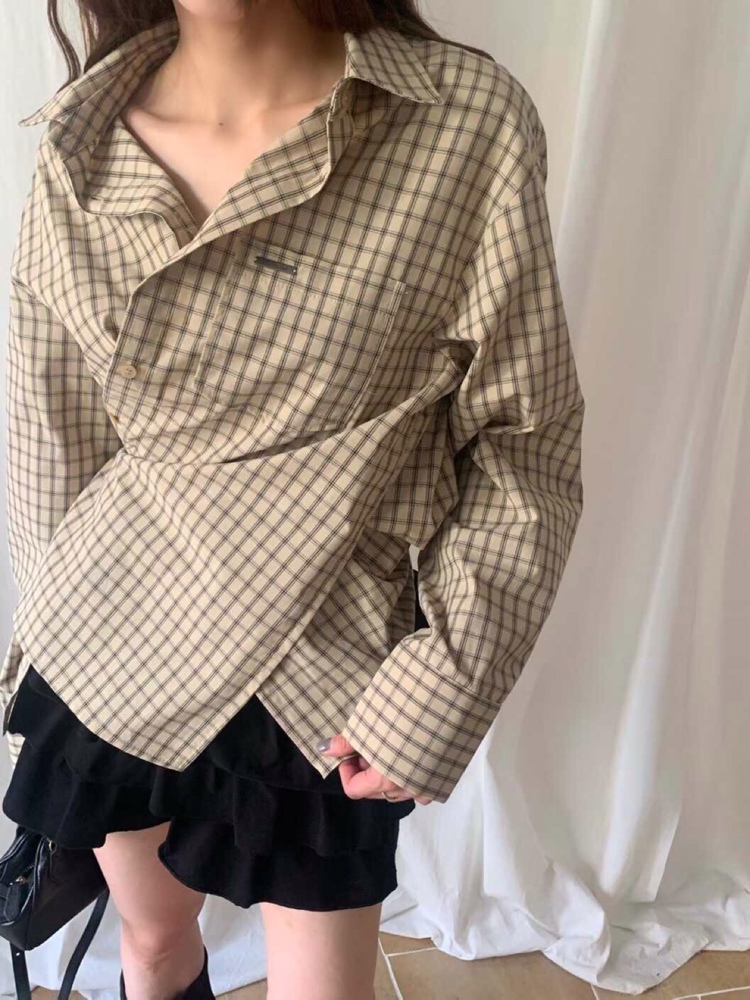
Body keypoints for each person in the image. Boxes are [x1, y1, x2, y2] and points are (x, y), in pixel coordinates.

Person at [0, 1, 586, 998]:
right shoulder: (80, 146)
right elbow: (51, 435)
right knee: (151, 947)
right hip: (113, 638)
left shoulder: (461, 120)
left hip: (323, 661)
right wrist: (36, 661)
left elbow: (524, 441)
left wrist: (442, 685)